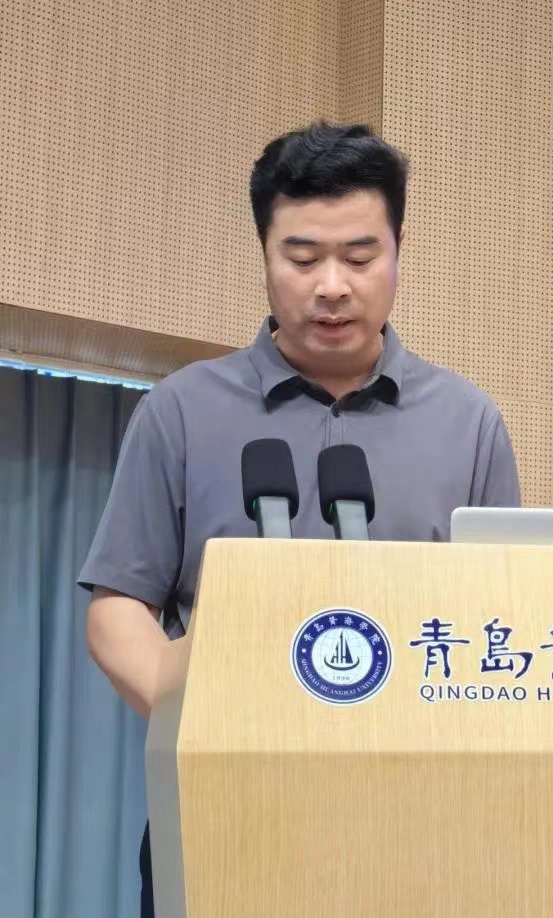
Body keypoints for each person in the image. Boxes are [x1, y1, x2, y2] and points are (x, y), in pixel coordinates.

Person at [77, 122, 521, 917]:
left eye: (360, 257)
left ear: (399, 250)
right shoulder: (182, 412)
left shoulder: (469, 424)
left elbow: (502, 621)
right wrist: (201, 711)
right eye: (303, 257)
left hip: (417, 821)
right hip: (223, 809)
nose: (332, 286)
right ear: (264, 255)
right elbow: (118, 607)